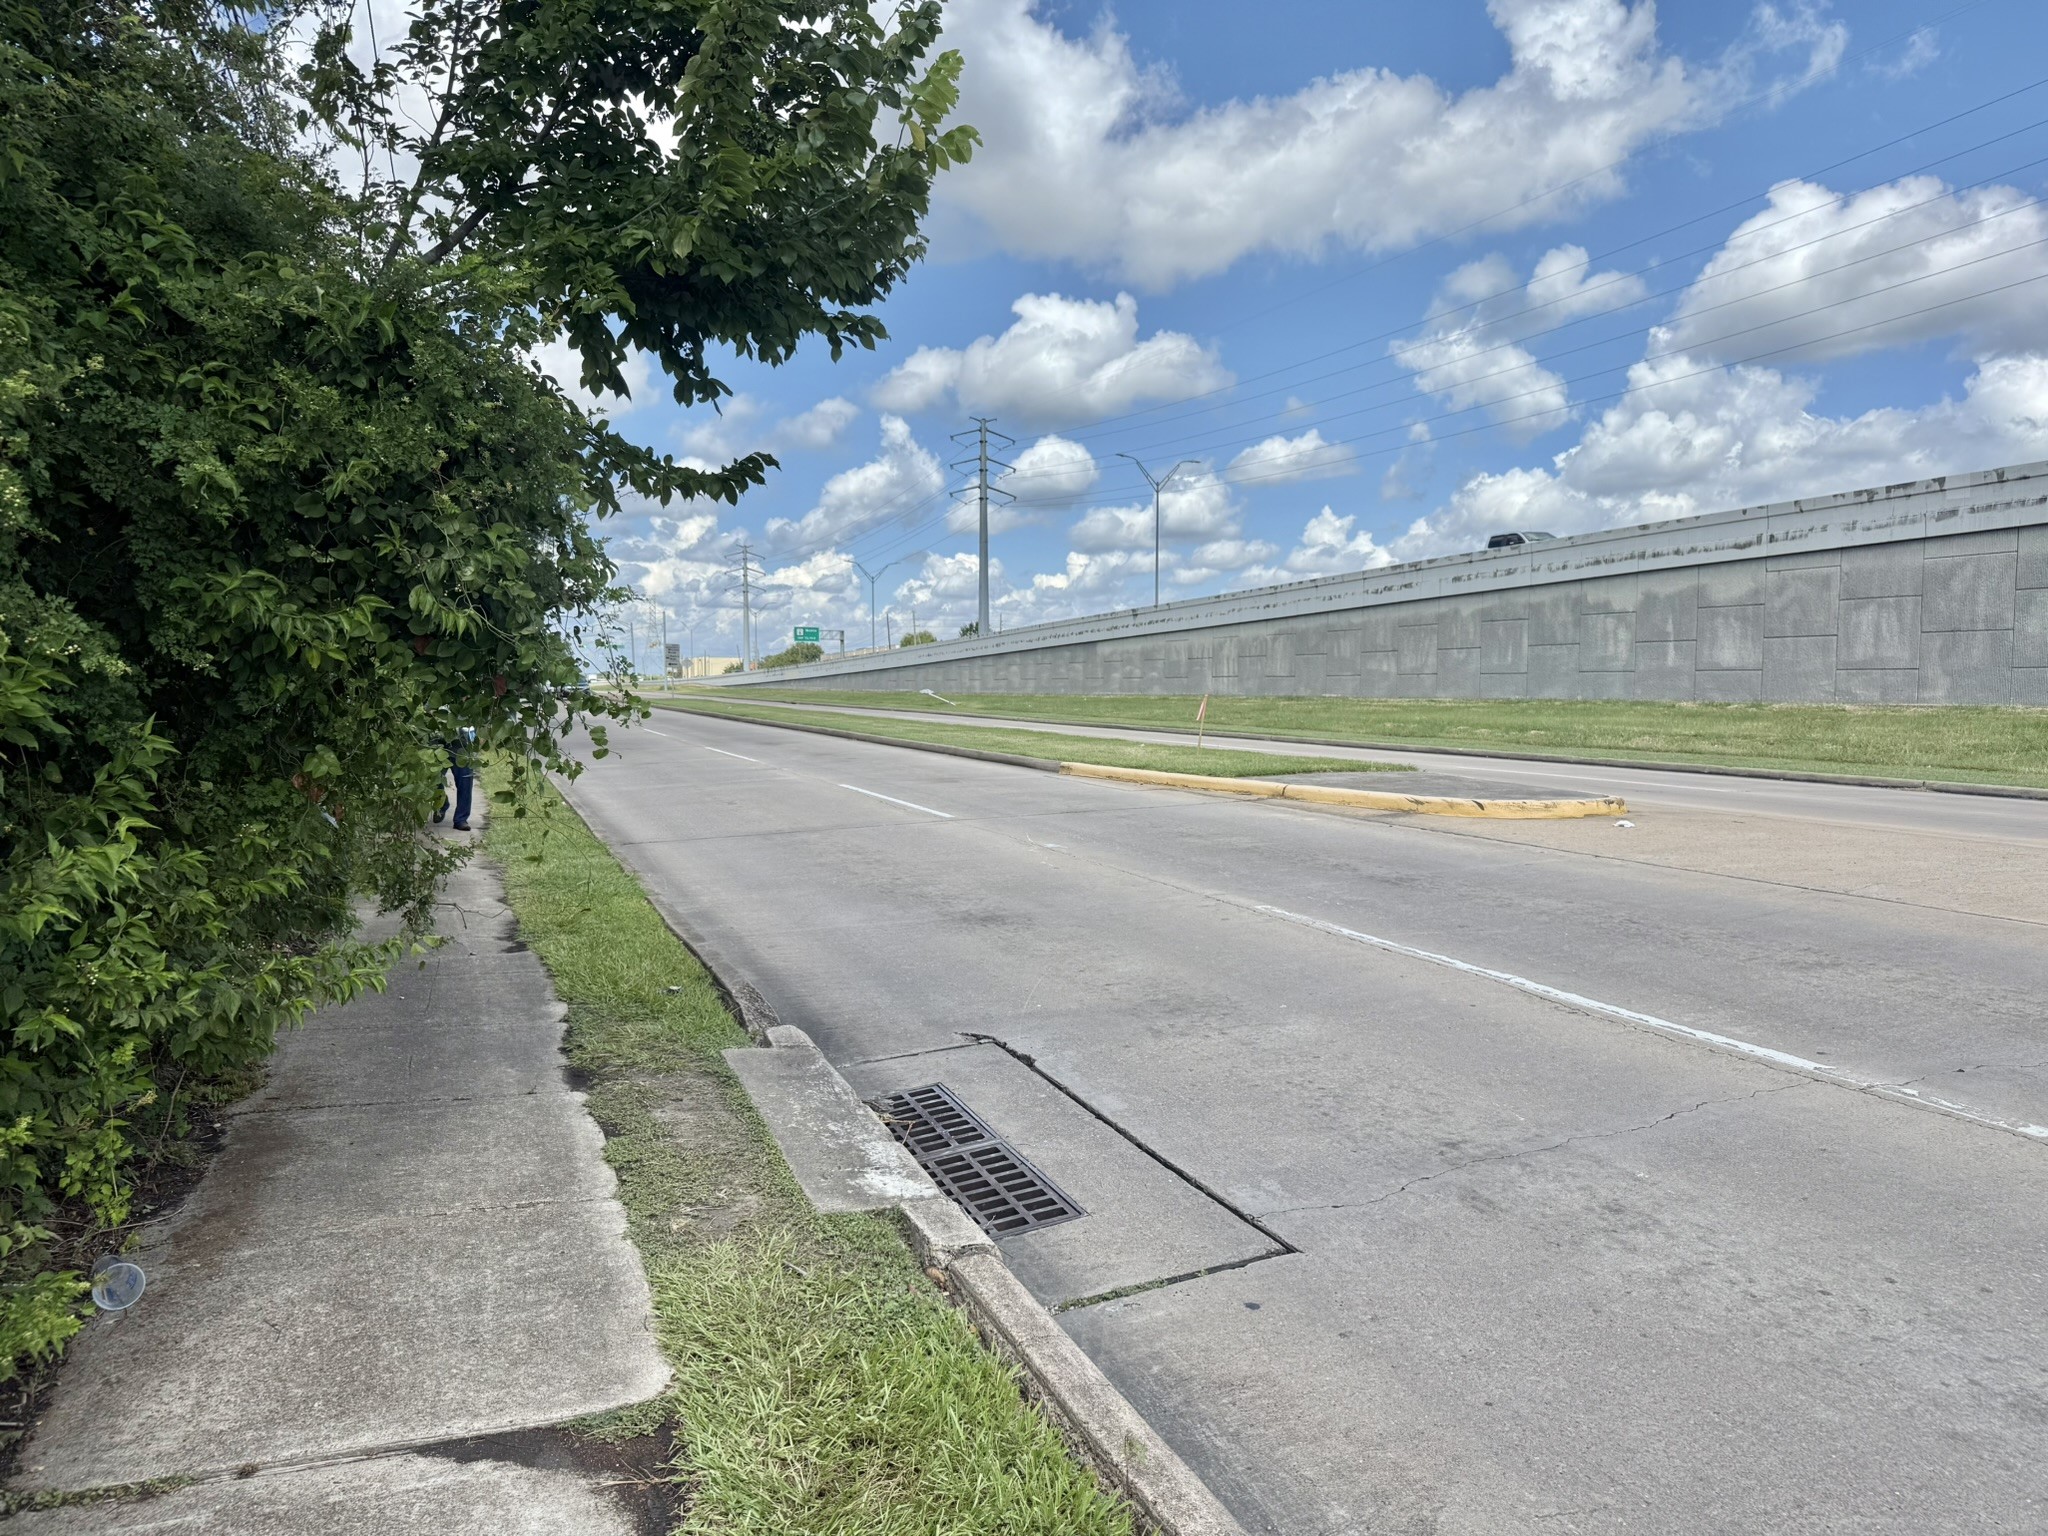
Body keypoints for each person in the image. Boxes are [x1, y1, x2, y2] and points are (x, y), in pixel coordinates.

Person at [431, 725, 478, 830]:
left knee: (465, 783)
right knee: (433, 780)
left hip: (463, 746)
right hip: (438, 743)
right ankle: (441, 805)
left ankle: (461, 819)